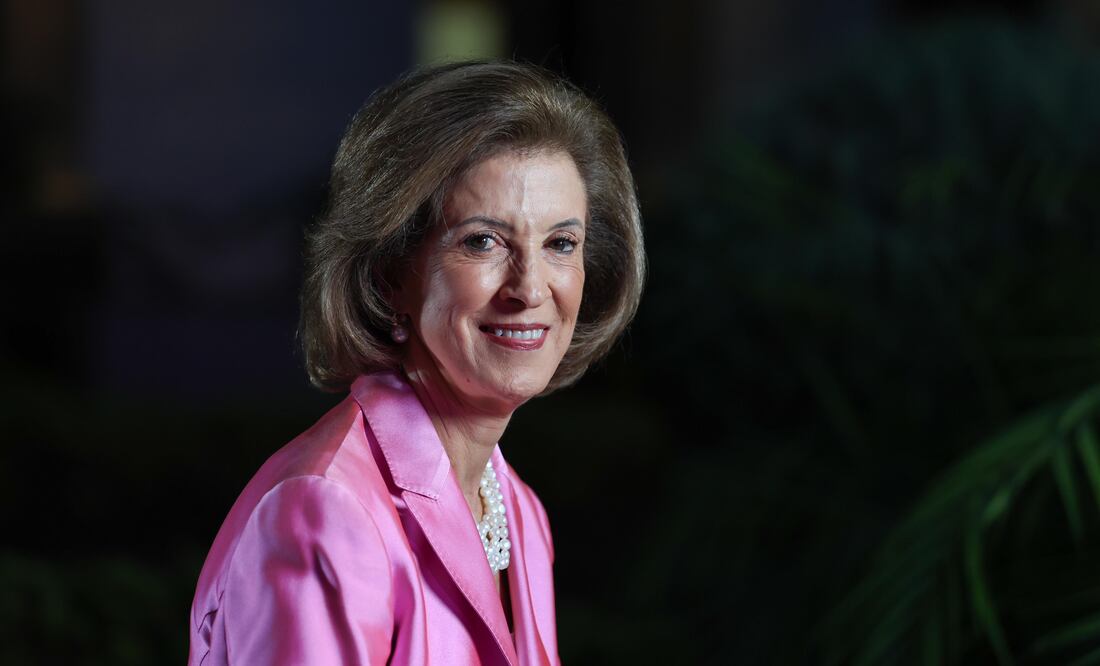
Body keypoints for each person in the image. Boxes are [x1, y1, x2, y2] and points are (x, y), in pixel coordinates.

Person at [187, 60, 645, 666]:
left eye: (561, 244)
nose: (530, 288)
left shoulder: (516, 509)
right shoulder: (323, 511)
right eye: (483, 241)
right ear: (390, 275)